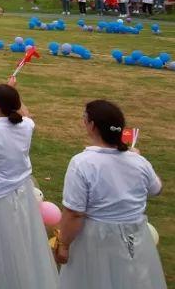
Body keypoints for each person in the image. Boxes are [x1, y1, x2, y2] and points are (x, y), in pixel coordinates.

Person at [54, 99, 165, 288]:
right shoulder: (137, 161)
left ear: (92, 126)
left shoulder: (82, 163)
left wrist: (63, 244)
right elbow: (157, 187)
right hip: (134, 236)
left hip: (97, 238)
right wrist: (137, 159)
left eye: (85, 119)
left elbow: (74, 212)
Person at [0, 78, 57, 289]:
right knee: (21, 232)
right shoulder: (27, 125)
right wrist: (14, 93)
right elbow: (25, 114)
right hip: (21, 189)